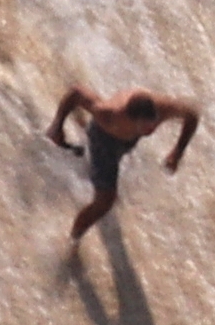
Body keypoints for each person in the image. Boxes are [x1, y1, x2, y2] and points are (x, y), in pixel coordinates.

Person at [45, 83, 199, 249]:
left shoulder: (162, 108)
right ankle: (72, 241)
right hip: (103, 140)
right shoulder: (109, 114)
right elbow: (75, 93)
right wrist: (57, 125)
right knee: (105, 202)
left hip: (126, 140)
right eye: (146, 126)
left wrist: (178, 151)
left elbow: (192, 114)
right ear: (128, 118)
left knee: (98, 171)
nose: (152, 129)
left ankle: (81, 134)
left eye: (153, 123)